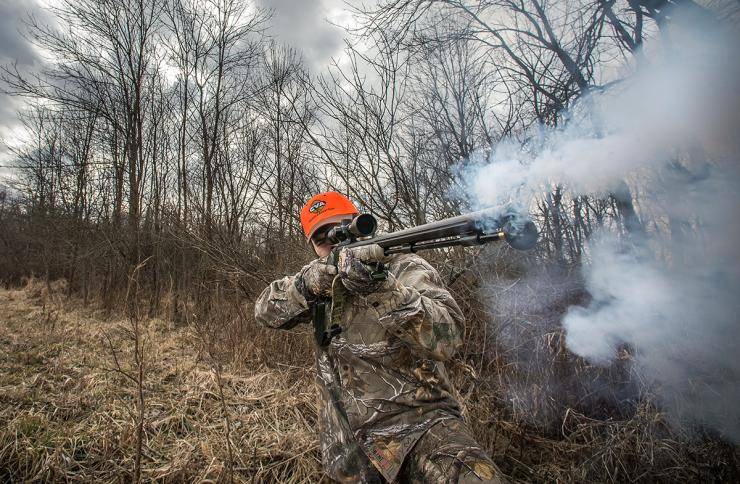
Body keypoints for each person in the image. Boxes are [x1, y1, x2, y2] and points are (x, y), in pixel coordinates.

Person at [254, 191, 506, 483]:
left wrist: (382, 289)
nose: (333, 241)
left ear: (359, 223)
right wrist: (308, 284)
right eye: (321, 238)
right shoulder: (320, 278)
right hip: (348, 455)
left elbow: (447, 337)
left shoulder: (403, 266)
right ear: (312, 247)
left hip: (422, 431)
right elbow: (263, 310)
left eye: (341, 228)